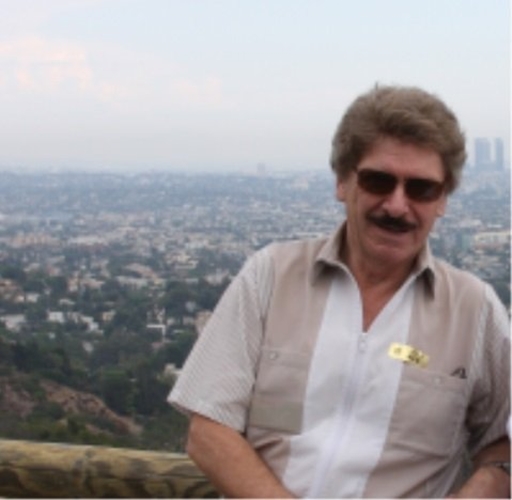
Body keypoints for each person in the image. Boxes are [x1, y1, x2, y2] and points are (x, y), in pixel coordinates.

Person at [168, 85, 510, 498]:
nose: (397, 205)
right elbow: (208, 428)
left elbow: (503, 442)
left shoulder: (473, 311)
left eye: (421, 189)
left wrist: (485, 483)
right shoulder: (272, 276)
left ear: (442, 200)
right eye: (379, 181)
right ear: (343, 182)